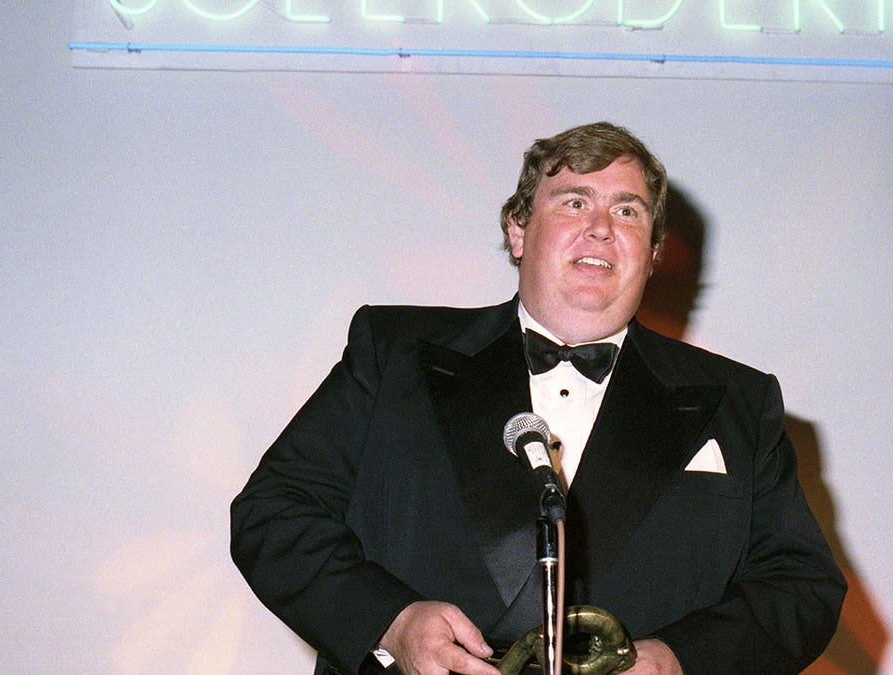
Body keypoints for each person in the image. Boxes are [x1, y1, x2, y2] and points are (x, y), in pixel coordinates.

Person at [230, 122, 846, 675]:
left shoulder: (740, 401)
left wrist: (677, 661)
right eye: (574, 201)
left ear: (655, 253)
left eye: (629, 212)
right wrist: (392, 623)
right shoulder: (394, 352)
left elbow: (801, 588)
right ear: (518, 229)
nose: (602, 227)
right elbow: (274, 514)